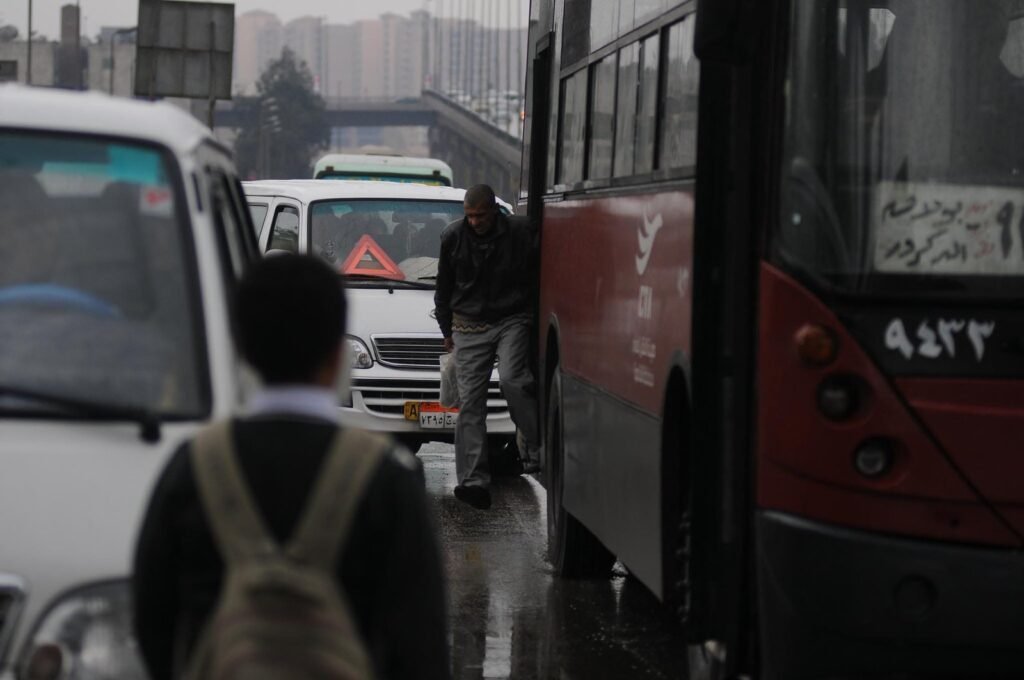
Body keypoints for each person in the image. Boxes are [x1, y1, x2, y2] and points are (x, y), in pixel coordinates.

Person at [132, 254, 449, 680]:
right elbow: (420, 646)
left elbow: (152, 623)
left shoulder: (194, 466)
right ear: (338, 352)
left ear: (241, 348)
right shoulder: (385, 478)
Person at [434, 184, 541, 510]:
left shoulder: (521, 232)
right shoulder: (452, 237)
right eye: (469, 216)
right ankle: (472, 482)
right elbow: (444, 287)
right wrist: (446, 330)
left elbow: (537, 274)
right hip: (468, 324)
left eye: (480, 215)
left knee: (513, 379)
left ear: (494, 211)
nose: (475, 222)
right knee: (471, 405)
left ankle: (537, 445)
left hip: (512, 318)